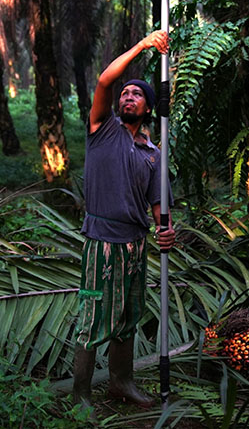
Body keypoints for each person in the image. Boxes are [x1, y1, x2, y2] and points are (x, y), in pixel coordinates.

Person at [72, 30, 175, 413]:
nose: (127, 97)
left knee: (129, 316)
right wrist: (143, 46)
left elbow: (158, 205)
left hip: (137, 244)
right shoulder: (103, 131)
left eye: (137, 95)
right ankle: (80, 395)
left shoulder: (152, 152)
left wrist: (166, 230)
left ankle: (121, 382)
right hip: (102, 243)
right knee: (94, 316)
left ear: (148, 108)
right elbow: (103, 80)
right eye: (125, 94)